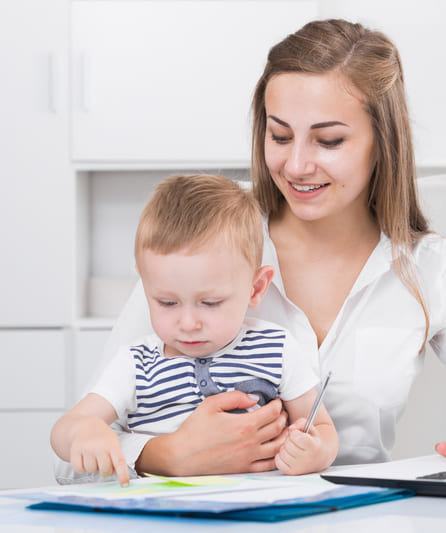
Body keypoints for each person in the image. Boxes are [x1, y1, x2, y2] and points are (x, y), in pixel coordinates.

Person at [55, 18, 446, 484]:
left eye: (328, 141)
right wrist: (168, 455)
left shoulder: (425, 268)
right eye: (280, 136)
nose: (297, 165)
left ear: (383, 142)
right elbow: (70, 462)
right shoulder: (208, 237)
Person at [51, 174, 338, 486]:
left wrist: (315, 451)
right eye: (167, 302)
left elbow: (321, 427)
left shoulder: (276, 347)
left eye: (210, 302)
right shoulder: (135, 364)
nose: (188, 323)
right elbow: (66, 428)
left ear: (256, 288)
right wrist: (86, 430)